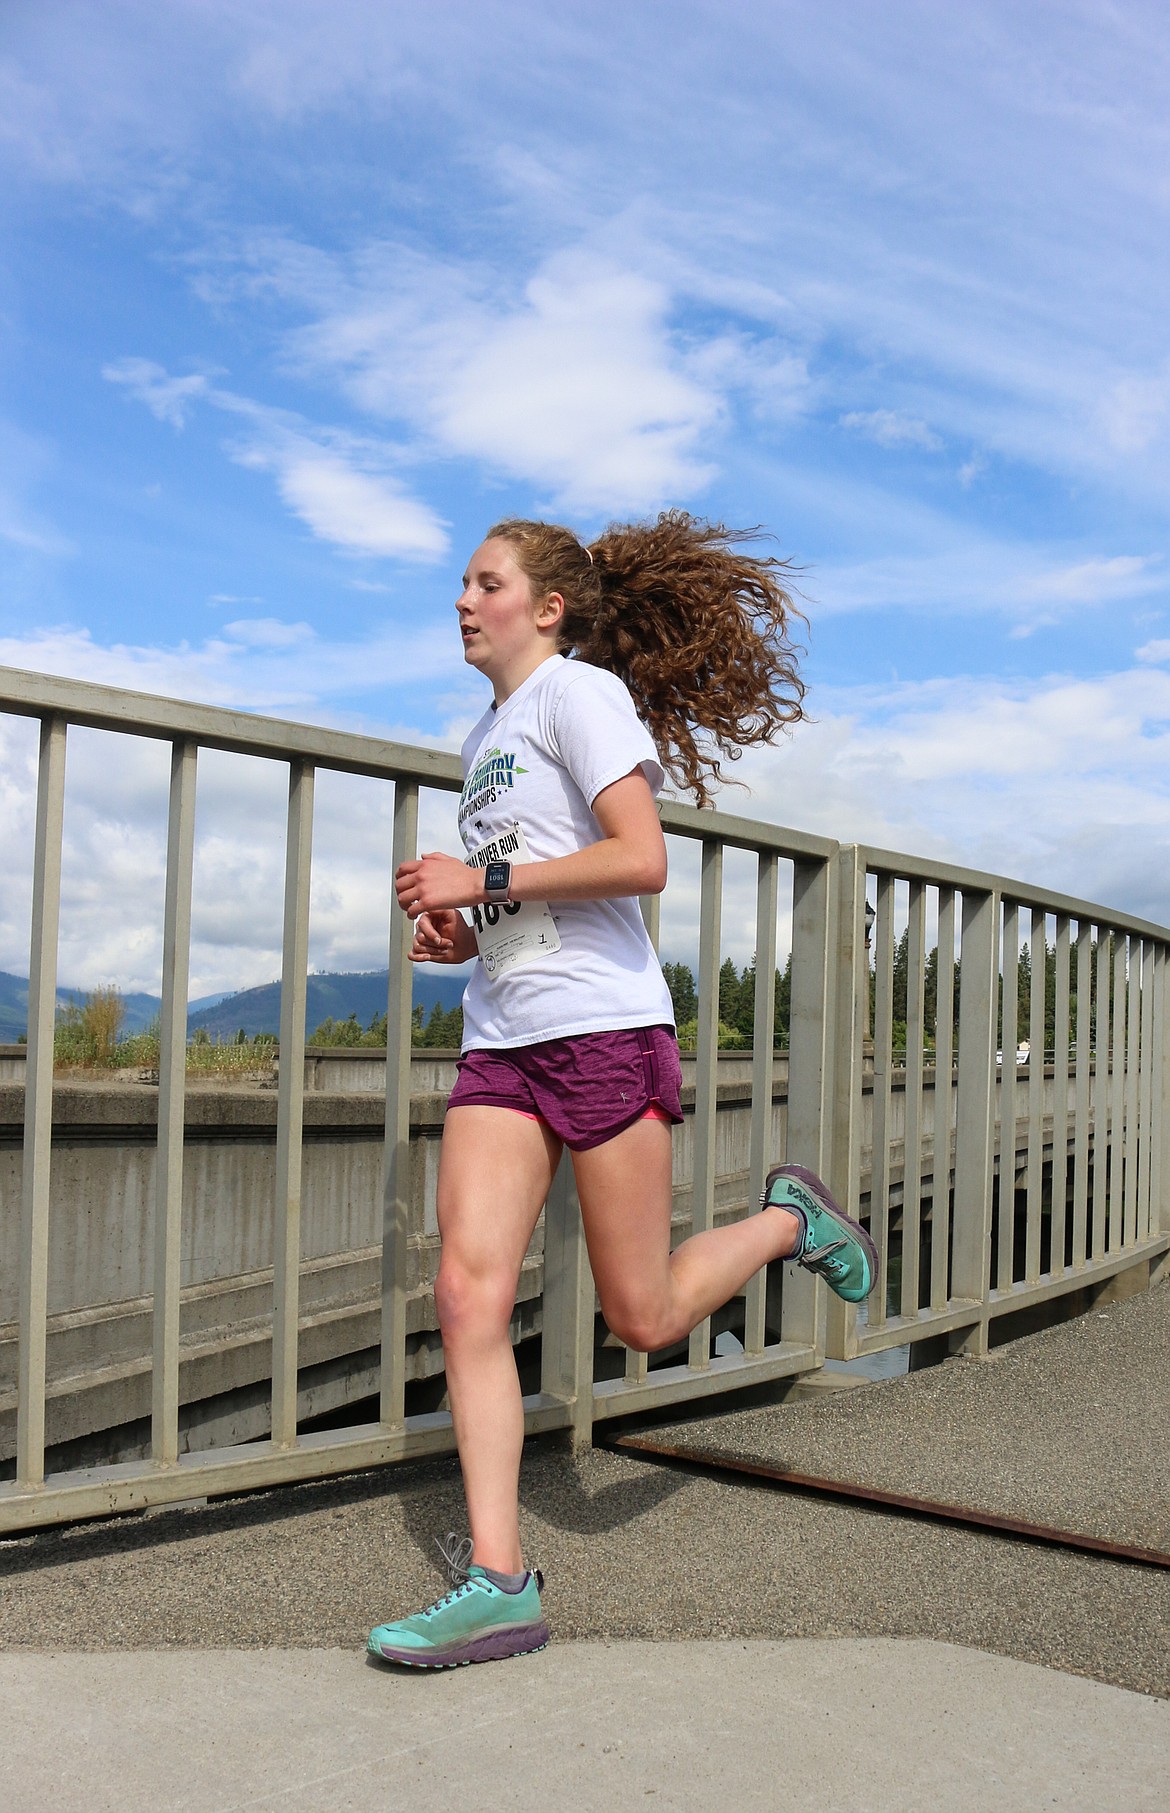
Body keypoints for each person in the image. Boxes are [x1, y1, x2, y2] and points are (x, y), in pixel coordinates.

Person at [367, 513, 878, 1670]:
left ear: (545, 608)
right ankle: (500, 1581)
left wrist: (483, 871)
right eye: (459, 581)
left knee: (640, 1316)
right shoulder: (482, 733)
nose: (460, 598)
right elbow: (540, 892)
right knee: (465, 1292)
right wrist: (468, 928)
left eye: (483, 582)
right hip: (503, 1036)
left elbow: (640, 856)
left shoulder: (577, 693)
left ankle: (793, 1219)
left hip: (600, 1030)